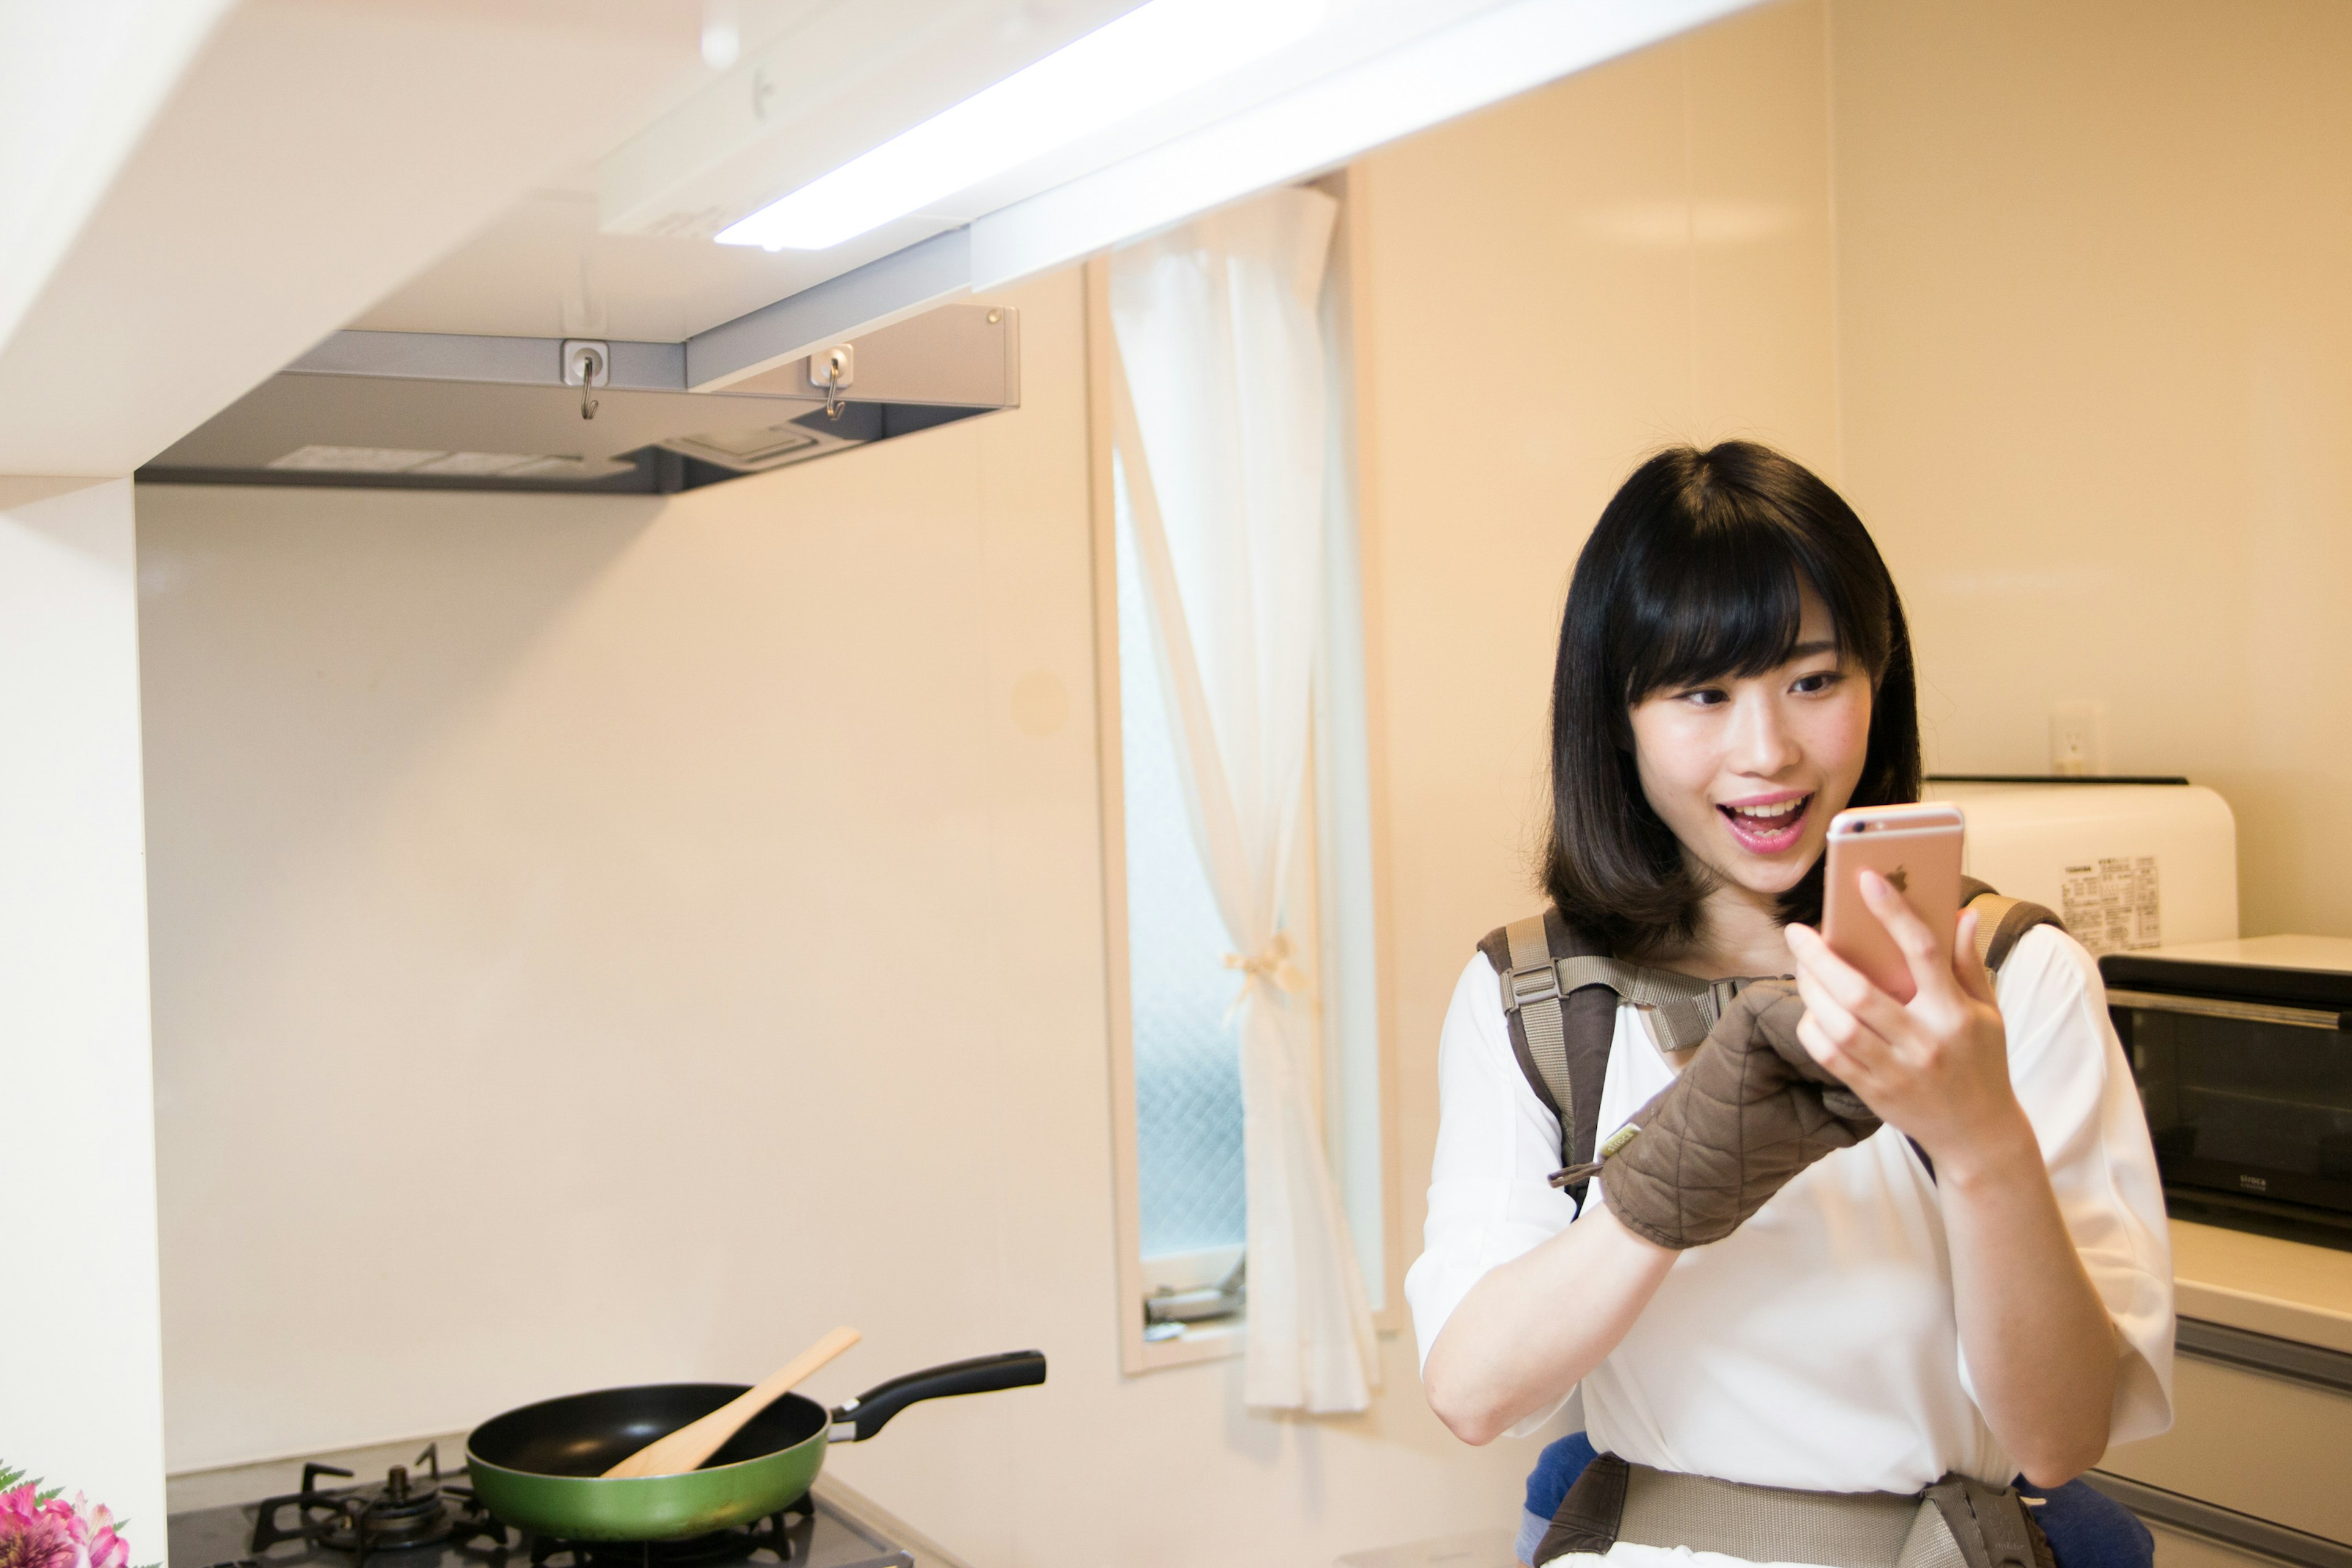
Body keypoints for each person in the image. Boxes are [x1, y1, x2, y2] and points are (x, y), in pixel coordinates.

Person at [1405, 442, 2173, 1568]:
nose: (1768, 753)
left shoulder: (2007, 976)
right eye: (1701, 694)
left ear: (1878, 682)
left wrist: (1980, 1141)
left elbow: (2058, 1442)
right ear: (1617, 716)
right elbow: (1472, 1391)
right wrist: (1662, 1188)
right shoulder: (1535, 1000)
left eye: (1814, 681)